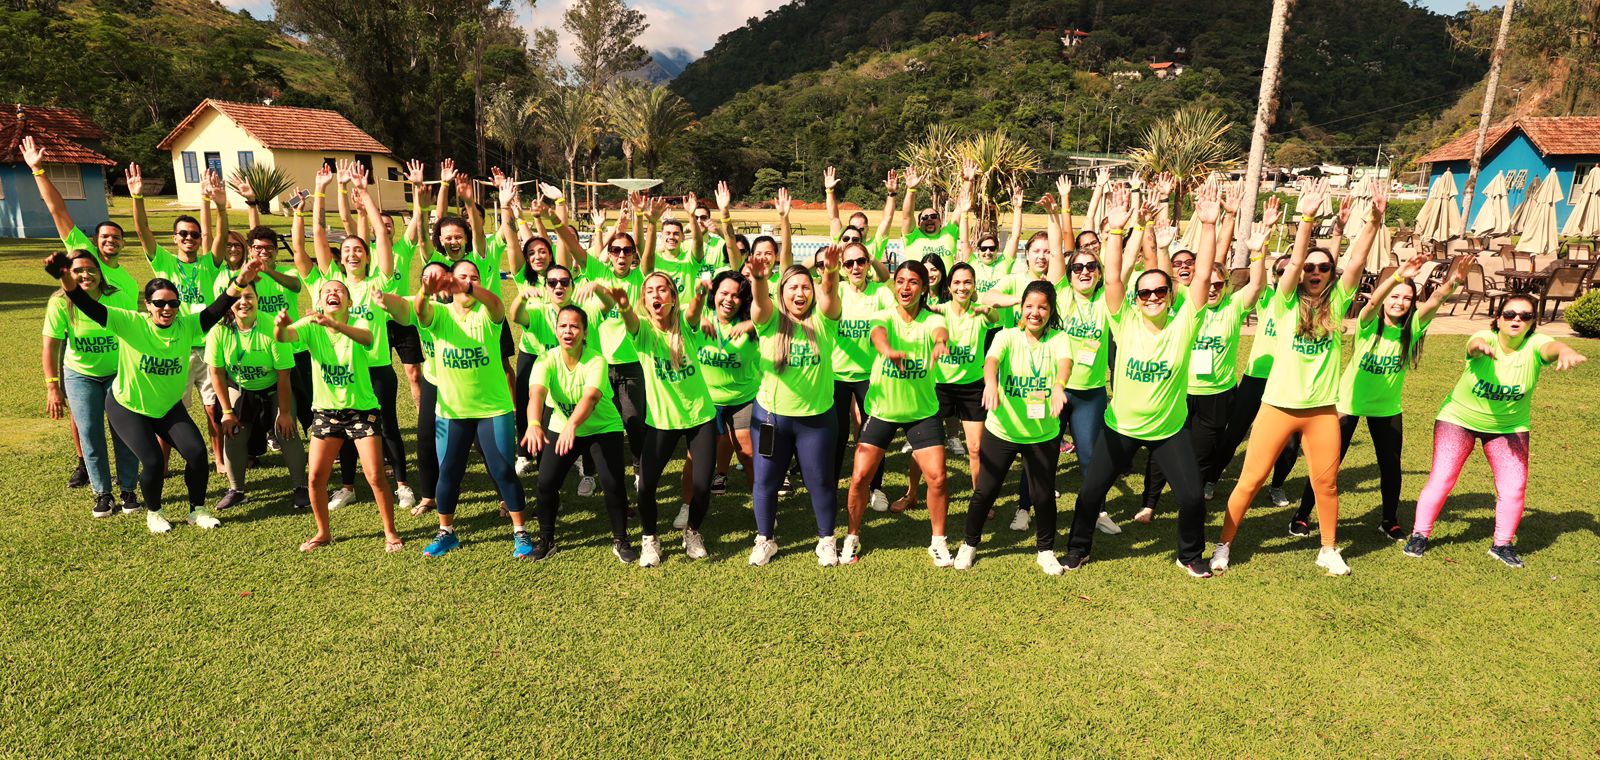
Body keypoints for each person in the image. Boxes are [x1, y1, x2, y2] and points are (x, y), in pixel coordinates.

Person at [1212, 178, 1383, 577]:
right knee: (1250, 480)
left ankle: (1328, 548)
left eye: (1323, 267)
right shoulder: (1284, 302)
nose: (1315, 271)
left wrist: (1374, 221)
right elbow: (1291, 266)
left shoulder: (1337, 301)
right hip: (1277, 408)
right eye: (1310, 267)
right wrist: (1306, 219)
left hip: (1321, 412)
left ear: (1330, 273)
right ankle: (1224, 543)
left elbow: (1357, 260)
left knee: (1327, 483)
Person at [1062, 180, 1221, 578]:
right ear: (1136, 299)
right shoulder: (1124, 321)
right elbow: (1114, 278)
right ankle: (1077, 549)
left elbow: (1203, 276)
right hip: (1121, 427)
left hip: (1169, 430)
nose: (1151, 297)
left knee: (1191, 498)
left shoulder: (1185, 323)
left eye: (1159, 292)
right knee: (1090, 493)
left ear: (1170, 294)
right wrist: (1116, 229)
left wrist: (1209, 225)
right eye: (1145, 293)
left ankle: (1190, 555)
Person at [45, 251, 260, 534]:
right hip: (128, 406)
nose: (166, 308)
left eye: (173, 303)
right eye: (159, 303)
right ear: (148, 305)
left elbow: (219, 306)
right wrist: (64, 277)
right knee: (153, 461)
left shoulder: (187, 326)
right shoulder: (130, 323)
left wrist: (241, 280)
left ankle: (197, 510)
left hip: (167, 406)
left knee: (196, 453)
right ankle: (155, 513)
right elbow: (86, 304)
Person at [1287, 254, 1466, 539]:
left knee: (1391, 467)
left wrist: (1452, 283)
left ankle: (1389, 520)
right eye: (1394, 296)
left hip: (1387, 408)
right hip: (1348, 403)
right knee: (1329, 464)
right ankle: (1302, 514)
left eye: (1407, 298)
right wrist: (1396, 277)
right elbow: (1371, 304)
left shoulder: (1412, 328)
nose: (1399, 302)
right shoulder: (1369, 324)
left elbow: (1435, 301)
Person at [1402, 295, 1586, 567]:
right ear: (1498, 319)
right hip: (1458, 419)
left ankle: (1502, 544)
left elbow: (1551, 347)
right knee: (1442, 479)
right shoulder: (1484, 337)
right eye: (1509, 314)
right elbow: (1474, 346)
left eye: (1524, 316)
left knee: (1514, 488)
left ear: (1532, 322)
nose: (1516, 319)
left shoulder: (1535, 344)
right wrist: (1480, 348)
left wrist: (1564, 350)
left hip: (1509, 427)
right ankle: (1419, 535)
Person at [1135, 188, 1262, 522]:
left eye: (1220, 285)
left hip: (1217, 395)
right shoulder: (1184, 304)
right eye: (1210, 285)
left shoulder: (1233, 307)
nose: (1214, 289)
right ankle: (1149, 502)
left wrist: (1256, 250)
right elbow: (1166, 278)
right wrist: (1164, 247)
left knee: (1202, 452)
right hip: (1179, 390)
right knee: (1162, 447)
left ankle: (1192, 498)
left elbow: (1255, 286)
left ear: (1226, 286)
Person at [301, 164, 417, 514]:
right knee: (344, 433)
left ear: (368, 256)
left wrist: (364, 194)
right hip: (343, 372)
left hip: (376, 368)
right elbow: (318, 234)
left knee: (388, 428)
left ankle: (402, 485)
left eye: (359, 250)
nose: (353, 253)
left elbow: (382, 234)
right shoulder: (332, 285)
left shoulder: (377, 283)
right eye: (348, 250)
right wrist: (321, 190)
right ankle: (348, 486)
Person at [274, 276, 405, 552]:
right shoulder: (310, 325)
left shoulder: (359, 322)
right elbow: (284, 337)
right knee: (315, 478)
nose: (333, 293)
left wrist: (333, 324)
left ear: (349, 301)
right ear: (320, 301)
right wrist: (281, 325)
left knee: (375, 476)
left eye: (339, 291)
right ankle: (323, 533)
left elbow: (367, 339)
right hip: (326, 412)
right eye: (327, 291)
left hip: (362, 411)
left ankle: (390, 532)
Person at [413, 259, 532, 558]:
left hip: (493, 409)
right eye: (462, 276)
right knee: (449, 471)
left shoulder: (488, 312)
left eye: (474, 277)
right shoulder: (440, 313)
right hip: (452, 411)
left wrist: (464, 285)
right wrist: (425, 291)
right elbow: (419, 311)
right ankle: (446, 532)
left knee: (503, 470)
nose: (468, 281)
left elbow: (495, 303)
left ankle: (520, 531)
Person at [953, 280, 1072, 573]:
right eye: (1029, 306)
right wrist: (990, 383)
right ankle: (969, 543)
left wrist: (1059, 385)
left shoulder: (1059, 338)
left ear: (1051, 311)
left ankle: (1046, 550)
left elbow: (1065, 363)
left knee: (1043, 495)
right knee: (985, 492)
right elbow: (991, 362)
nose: (1035, 313)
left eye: (1042, 307)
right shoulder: (1006, 336)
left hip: (1041, 433)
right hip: (1002, 431)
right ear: (1021, 307)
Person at [841, 259, 954, 566]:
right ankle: (852, 536)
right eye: (900, 281)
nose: (905, 287)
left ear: (924, 287)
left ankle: (938, 541)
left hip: (922, 412)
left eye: (913, 282)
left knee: (938, 478)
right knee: (859, 477)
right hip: (883, 410)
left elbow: (940, 332)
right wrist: (888, 350)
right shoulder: (884, 315)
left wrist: (940, 344)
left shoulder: (932, 319)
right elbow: (878, 334)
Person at [746, 248, 844, 566]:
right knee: (766, 482)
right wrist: (759, 279)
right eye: (793, 287)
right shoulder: (770, 321)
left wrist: (830, 274)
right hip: (771, 417)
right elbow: (759, 302)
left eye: (805, 287)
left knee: (820, 482)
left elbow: (831, 298)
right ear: (782, 292)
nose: (800, 293)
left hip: (816, 421)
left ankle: (826, 540)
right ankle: (765, 539)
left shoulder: (823, 321)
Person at [129, 164, 228, 472]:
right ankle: (163, 463)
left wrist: (220, 206)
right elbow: (142, 231)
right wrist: (137, 197)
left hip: (208, 348)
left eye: (194, 235)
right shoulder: (163, 261)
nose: (189, 238)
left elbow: (221, 236)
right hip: (177, 348)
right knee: (170, 411)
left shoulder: (209, 264)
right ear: (174, 238)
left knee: (213, 409)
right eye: (183, 233)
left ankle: (219, 459)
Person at [619, 265, 719, 567]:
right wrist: (623, 306)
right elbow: (630, 321)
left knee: (702, 486)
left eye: (662, 290)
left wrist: (700, 293)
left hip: (700, 416)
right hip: (662, 421)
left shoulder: (686, 325)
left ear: (673, 298)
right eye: (650, 291)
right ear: (644, 300)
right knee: (646, 486)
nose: (656, 295)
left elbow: (694, 310)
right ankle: (650, 538)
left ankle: (692, 532)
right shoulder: (643, 333)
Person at [524, 305, 638, 563]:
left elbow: (590, 399)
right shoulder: (546, 359)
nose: (568, 331)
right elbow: (537, 394)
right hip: (562, 426)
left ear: (585, 332)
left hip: (602, 427)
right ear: (556, 330)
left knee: (612, 483)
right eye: (563, 326)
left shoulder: (596, 360)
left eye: (574, 326)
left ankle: (621, 539)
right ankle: (546, 539)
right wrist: (534, 423)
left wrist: (572, 426)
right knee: (546, 483)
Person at [42, 250, 141, 518]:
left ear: (100, 272)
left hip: (118, 373)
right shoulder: (60, 302)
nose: (86, 275)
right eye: (78, 271)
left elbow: (134, 334)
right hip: (80, 375)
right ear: (68, 275)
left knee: (124, 432)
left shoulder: (117, 296)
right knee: (89, 432)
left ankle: (128, 490)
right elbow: (51, 346)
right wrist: (52, 386)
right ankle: (103, 493)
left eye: (91, 269)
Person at [894, 262, 996, 512]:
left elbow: (994, 318)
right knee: (922, 446)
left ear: (974, 286)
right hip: (938, 387)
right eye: (957, 283)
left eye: (967, 282)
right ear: (949, 287)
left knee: (976, 448)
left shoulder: (980, 313)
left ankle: (980, 502)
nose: (962, 287)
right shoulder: (938, 311)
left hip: (972, 388)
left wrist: (987, 309)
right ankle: (911, 494)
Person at [205, 282, 308, 511]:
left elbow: (284, 375)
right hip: (240, 387)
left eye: (249, 296)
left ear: (258, 299)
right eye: (237, 297)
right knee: (233, 433)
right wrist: (227, 413)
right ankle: (236, 490)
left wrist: (284, 413)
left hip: (274, 386)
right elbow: (217, 373)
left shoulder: (272, 327)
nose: (243, 302)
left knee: (286, 431)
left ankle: (301, 487)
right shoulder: (219, 330)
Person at [694, 271, 758, 496]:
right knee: (707, 450)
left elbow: (780, 317)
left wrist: (753, 323)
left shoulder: (752, 321)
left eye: (736, 295)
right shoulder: (700, 317)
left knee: (747, 452)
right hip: (707, 400)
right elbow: (674, 311)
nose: (729, 300)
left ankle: (761, 500)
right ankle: (717, 477)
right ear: (714, 294)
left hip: (743, 398)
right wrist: (697, 319)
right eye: (724, 293)